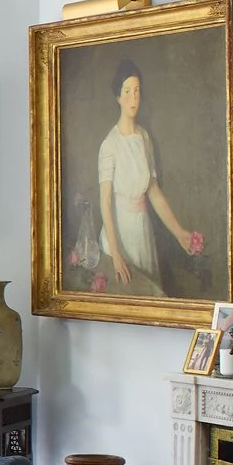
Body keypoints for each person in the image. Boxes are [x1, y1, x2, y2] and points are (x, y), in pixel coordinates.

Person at [97, 57, 205, 296]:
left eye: (137, 91)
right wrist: (115, 254)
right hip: (120, 232)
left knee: (151, 292)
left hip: (142, 229)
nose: (133, 98)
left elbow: (154, 192)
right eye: (127, 92)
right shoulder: (109, 145)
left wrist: (180, 233)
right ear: (118, 96)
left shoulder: (144, 138)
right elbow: (104, 203)